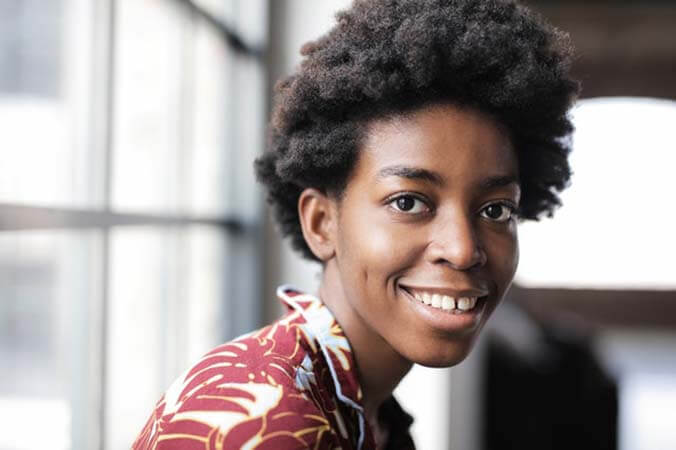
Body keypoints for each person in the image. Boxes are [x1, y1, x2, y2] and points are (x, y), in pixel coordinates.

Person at [132, 0, 579, 448]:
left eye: (496, 210)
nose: (462, 249)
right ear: (322, 223)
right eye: (408, 201)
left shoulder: (367, 411)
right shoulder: (263, 422)